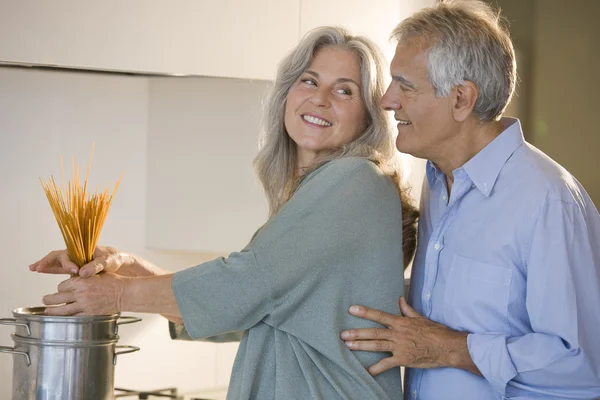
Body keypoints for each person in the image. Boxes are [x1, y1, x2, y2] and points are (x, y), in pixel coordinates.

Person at [30, 27, 419, 399]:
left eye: (344, 90)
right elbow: (254, 304)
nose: (320, 98)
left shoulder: (354, 179)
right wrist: (131, 270)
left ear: (368, 117)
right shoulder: (319, 190)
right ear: (287, 93)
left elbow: (247, 283)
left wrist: (117, 294)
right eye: (309, 81)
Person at [340, 1, 600, 399]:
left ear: (461, 99)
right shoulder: (436, 181)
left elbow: (579, 365)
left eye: (405, 85)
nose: (388, 100)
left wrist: (446, 348)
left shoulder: (549, 201)